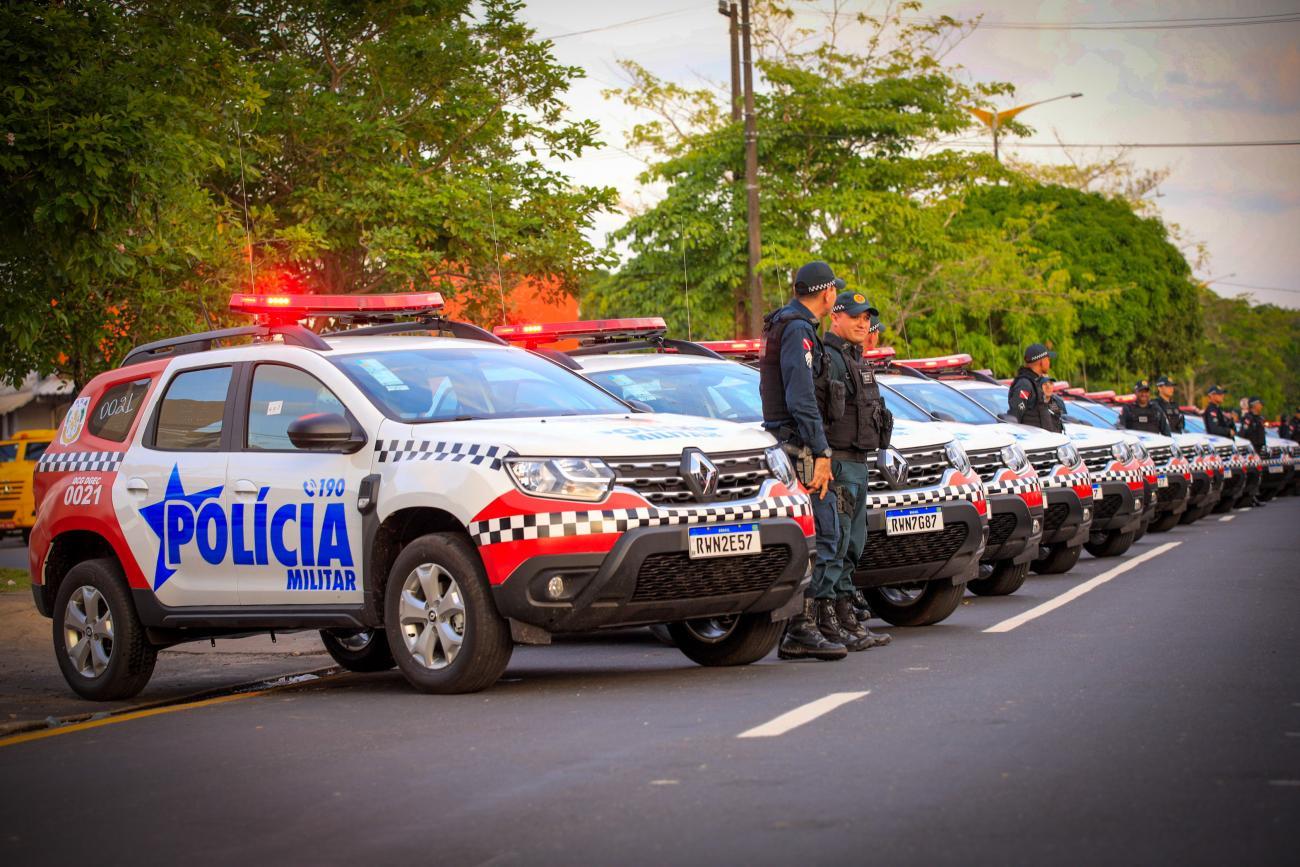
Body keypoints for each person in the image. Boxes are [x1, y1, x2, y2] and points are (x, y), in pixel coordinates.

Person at [760, 260, 848, 661]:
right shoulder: (798, 330)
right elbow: (801, 398)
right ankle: (800, 628)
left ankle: (810, 623)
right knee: (824, 534)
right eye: (835, 292)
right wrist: (822, 451)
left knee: (822, 534)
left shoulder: (792, 324)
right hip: (801, 447)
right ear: (828, 294)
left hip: (796, 443)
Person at [821, 290, 893, 650]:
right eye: (855, 316)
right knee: (837, 543)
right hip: (838, 462)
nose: (863, 323)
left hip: (858, 462)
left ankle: (846, 614)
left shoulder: (854, 357)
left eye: (867, 318)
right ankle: (830, 620)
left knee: (854, 544)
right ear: (835, 317)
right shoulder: (829, 358)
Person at [1008, 343, 1057, 429]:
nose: (1049, 363)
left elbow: (1055, 413)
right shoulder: (1024, 384)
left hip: (1046, 439)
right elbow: (1015, 416)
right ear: (1041, 362)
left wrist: (1048, 399)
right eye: (1048, 359)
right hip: (1033, 440)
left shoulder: (1036, 382)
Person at [1240, 397, 1268, 506]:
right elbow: (1243, 433)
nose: (1261, 406)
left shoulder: (1259, 418)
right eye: (1260, 404)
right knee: (1253, 474)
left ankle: (1253, 496)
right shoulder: (1248, 418)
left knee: (1257, 474)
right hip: (1252, 450)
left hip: (1259, 449)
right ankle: (1249, 498)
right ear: (1254, 405)